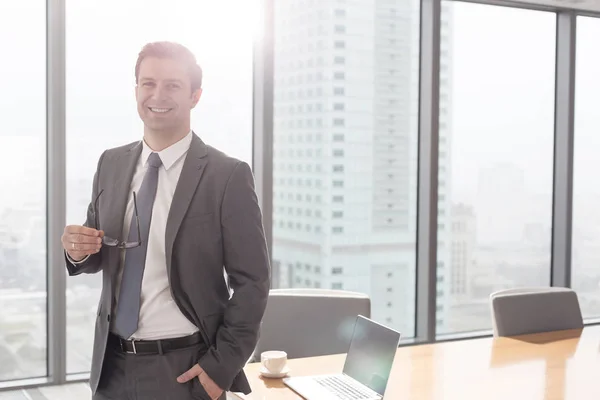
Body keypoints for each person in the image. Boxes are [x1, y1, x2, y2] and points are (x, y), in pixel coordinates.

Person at [61, 41, 270, 400]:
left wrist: (220, 369)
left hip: (184, 370)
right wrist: (77, 250)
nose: (158, 94)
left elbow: (253, 281)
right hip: (111, 368)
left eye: (173, 85)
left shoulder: (227, 175)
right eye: (148, 83)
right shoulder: (110, 164)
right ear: (136, 90)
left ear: (195, 96)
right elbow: (100, 252)